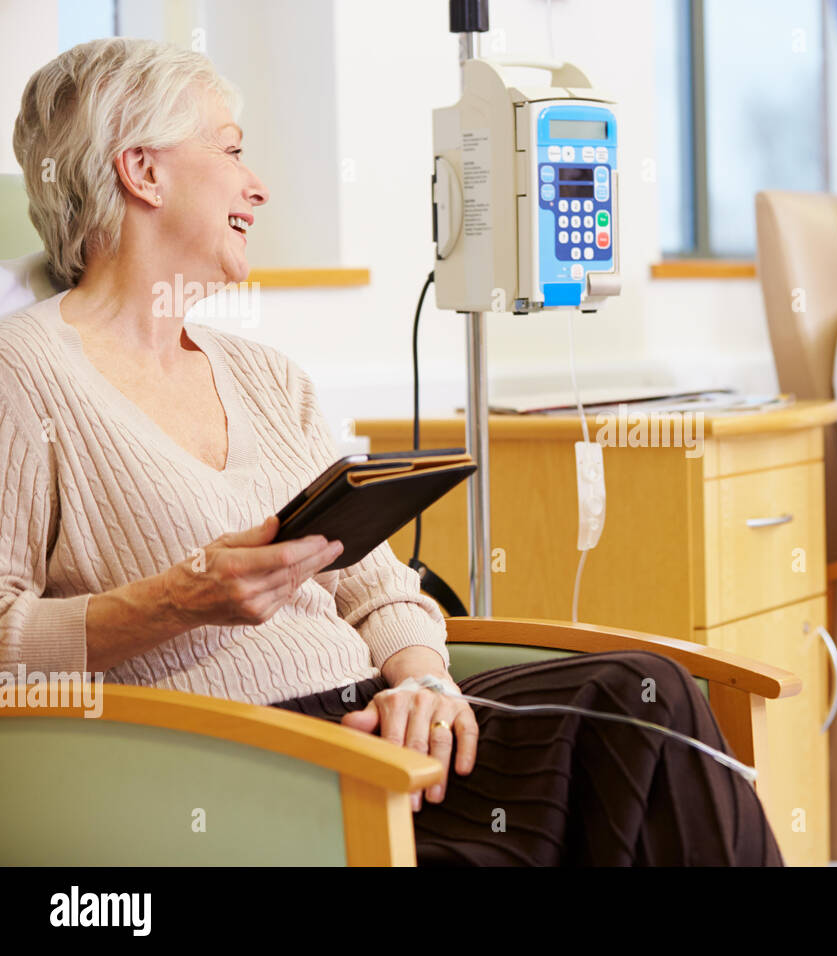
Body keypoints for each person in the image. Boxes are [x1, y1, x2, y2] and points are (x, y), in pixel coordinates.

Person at [0, 37, 781, 866]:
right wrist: (179, 600)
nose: (257, 185)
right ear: (142, 172)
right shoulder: (23, 374)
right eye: (230, 150)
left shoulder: (269, 377)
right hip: (236, 768)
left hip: (373, 727)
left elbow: (379, 592)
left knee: (640, 697)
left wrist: (424, 681)